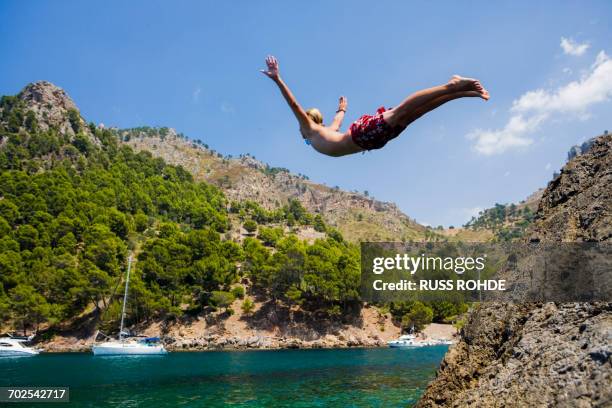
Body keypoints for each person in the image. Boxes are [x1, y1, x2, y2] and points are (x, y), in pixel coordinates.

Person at [261, 55, 489, 157]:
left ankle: (452, 86)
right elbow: (338, 120)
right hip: (371, 141)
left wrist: (277, 79)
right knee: (415, 114)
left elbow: (293, 104)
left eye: (301, 125)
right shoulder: (326, 131)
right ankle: (462, 93)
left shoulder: (311, 129)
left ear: (308, 122)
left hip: (363, 136)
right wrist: (342, 107)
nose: (299, 129)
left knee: (402, 111)